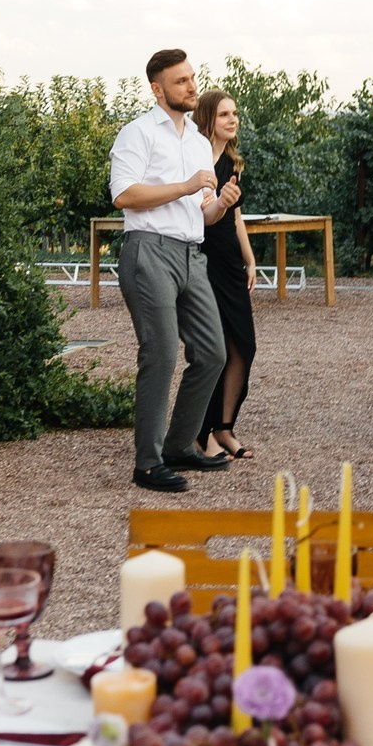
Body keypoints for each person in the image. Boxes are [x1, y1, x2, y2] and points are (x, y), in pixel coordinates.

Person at [108, 49, 233, 494]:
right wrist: (186, 185)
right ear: (158, 89)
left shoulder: (199, 143)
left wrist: (221, 202)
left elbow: (203, 213)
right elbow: (123, 195)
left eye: (193, 78)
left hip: (190, 253)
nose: (191, 87)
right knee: (159, 354)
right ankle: (147, 464)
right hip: (148, 252)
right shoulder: (137, 133)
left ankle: (180, 446)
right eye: (181, 81)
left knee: (214, 353)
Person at [193, 89, 258, 460]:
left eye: (234, 113)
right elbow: (207, 211)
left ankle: (224, 427)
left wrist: (250, 260)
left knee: (243, 347)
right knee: (214, 349)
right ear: (208, 120)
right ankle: (204, 434)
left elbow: (234, 217)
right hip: (202, 261)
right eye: (223, 115)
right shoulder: (196, 162)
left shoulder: (232, 162)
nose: (232, 120)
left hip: (231, 263)